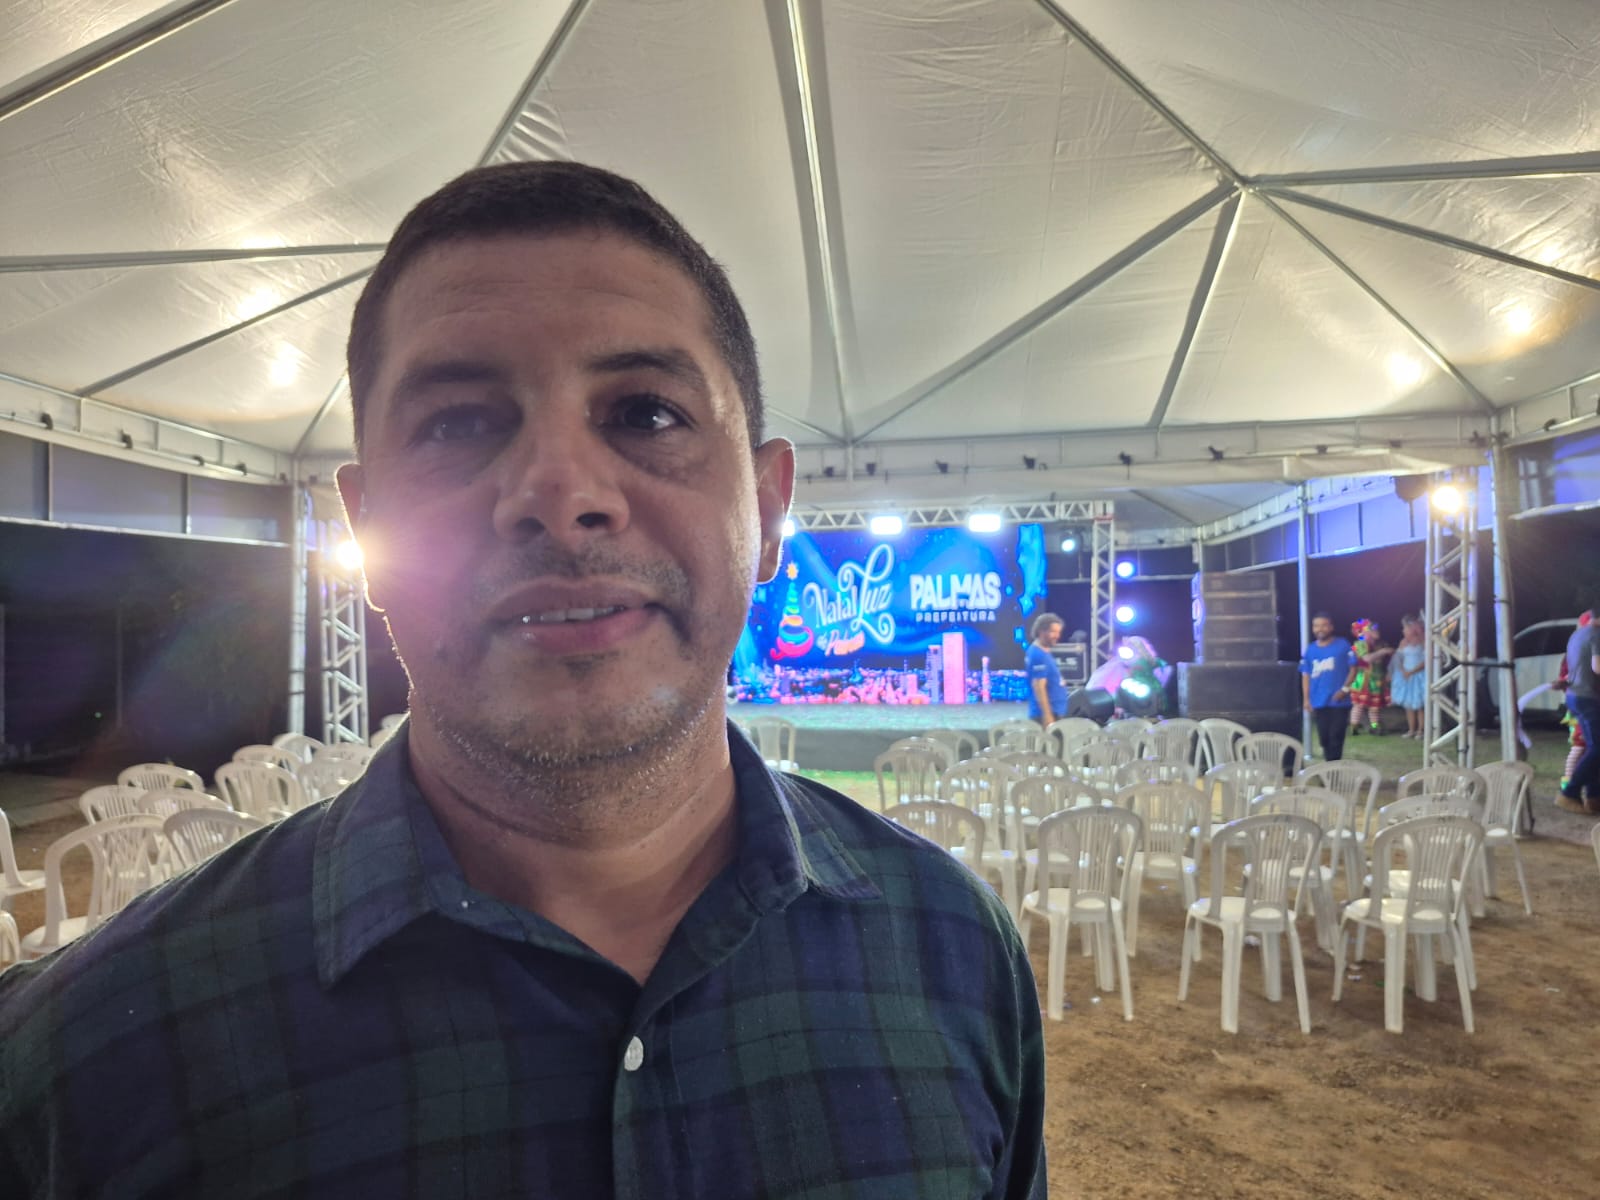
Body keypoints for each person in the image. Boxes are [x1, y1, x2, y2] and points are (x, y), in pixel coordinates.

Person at [0, 162, 1047, 1198]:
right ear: (366, 528)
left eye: (646, 413)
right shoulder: (82, 1059)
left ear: (768, 510)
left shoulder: (954, 949)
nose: (559, 492)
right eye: (458, 422)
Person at [1558, 602, 1600, 815]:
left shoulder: (1577, 635)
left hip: (1575, 696)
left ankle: (1594, 797)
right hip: (1587, 697)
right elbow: (1597, 667)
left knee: (1594, 747)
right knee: (1596, 748)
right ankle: (1569, 792)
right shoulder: (1596, 635)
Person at [1300, 612, 1358, 762]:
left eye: (1324, 625)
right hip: (1319, 700)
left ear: (1331, 627)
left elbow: (1353, 668)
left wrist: (1344, 689)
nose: (1320, 629)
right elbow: (1305, 675)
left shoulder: (1343, 645)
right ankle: (1329, 766)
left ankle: (1333, 768)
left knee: (1336, 736)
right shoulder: (1310, 650)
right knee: (1324, 738)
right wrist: (1306, 699)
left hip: (1339, 701)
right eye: (1316, 626)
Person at [1347, 618, 1394, 736]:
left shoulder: (1379, 644)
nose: (1376, 630)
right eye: (1372, 629)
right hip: (1363, 679)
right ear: (1364, 631)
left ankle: (1375, 727)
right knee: (1359, 705)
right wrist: (1383, 652)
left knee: (1375, 706)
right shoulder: (1360, 644)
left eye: (1376, 628)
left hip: (1377, 679)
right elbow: (1366, 658)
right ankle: (1354, 727)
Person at [1025, 611, 1070, 726]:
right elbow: (1039, 686)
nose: (1057, 636)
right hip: (1046, 716)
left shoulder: (1044, 652)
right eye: (1053, 632)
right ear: (1041, 631)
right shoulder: (1038, 654)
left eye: (1058, 632)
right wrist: (1047, 715)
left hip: (1055, 711)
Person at [1389, 615, 1427, 738]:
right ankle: (1411, 730)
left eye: (1405, 628)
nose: (1403, 630)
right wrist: (1403, 671)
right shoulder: (1403, 642)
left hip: (1419, 675)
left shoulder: (1423, 641)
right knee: (1408, 705)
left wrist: (1413, 671)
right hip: (1406, 675)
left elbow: (1426, 660)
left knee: (1419, 705)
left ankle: (1421, 730)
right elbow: (1398, 658)